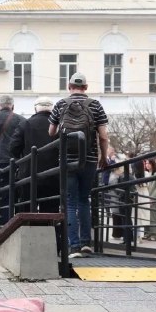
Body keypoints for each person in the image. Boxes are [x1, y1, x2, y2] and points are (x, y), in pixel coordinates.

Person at [49, 72, 109, 259]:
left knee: (70, 202)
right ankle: (86, 244)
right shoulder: (96, 105)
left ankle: (73, 246)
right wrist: (104, 157)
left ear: (69, 87)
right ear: (86, 87)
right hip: (89, 159)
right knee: (84, 200)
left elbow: (51, 132)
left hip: (67, 160)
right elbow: (104, 135)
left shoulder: (60, 104)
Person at [9, 96, 59, 215]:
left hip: (28, 175)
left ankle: (28, 232)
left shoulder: (26, 123)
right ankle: (50, 233)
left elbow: (13, 147)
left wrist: (21, 160)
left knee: (27, 210)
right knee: (50, 211)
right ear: (52, 110)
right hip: (53, 175)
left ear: (36, 109)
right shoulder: (59, 125)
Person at [0, 95, 27, 224]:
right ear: (12, 106)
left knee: (3, 195)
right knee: (19, 194)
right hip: (19, 163)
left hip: (0, 162)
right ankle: (19, 224)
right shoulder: (22, 120)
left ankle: (3, 226)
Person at [142, 159, 156, 241]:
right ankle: (149, 233)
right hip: (147, 197)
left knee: (154, 217)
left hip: (153, 198)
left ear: (152, 164)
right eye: (146, 163)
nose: (147, 165)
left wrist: (152, 198)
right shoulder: (148, 174)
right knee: (148, 217)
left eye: (149, 163)